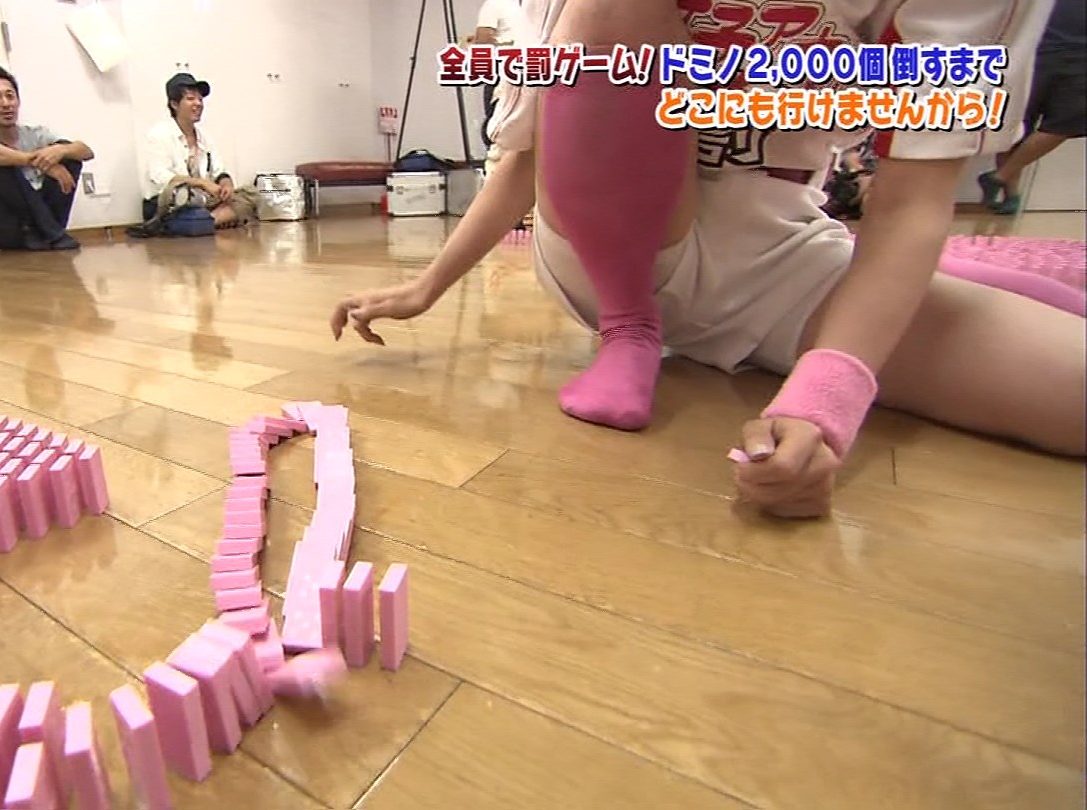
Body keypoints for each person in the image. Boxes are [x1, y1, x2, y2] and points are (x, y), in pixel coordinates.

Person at [330, 0, 1085, 520]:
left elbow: (915, 199)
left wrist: (825, 397)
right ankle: (631, 326)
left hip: (785, 250)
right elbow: (530, 155)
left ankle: (958, 285)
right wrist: (429, 285)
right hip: (607, 246)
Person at [0, 64, 92, 251]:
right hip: (12, 228)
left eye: (10, 96)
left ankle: (48, 231)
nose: (6, 103)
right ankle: (52, 234)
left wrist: (61, 151)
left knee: (69, 156)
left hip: (48, 218)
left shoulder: (35, 133)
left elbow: (86, 152)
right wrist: (38, 162)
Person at [977, 0, 1086, 215]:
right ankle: (1011, 195)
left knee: (1070, 121)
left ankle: (999, 177)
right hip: (1033, 50)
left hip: (1081, 56)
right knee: (1017, 123)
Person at [140, 72, 249, 230]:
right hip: (171, 203)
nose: (198, 104)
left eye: (200, 99)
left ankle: (205, 221)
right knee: (184, 198)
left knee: (251, 195)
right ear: (174, 104)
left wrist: (226, 185)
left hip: (203, 200)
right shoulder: (159, 134)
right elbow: (160, 176)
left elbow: (220, 171)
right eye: (191, 99)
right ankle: (214, 219)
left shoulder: (204, 137)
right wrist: (202, 183)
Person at [472, 0, 525, 149]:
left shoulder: (539, 6)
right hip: (503, 69)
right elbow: (483, 40)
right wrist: (512, 44)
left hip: (533, 71)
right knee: (498, 118)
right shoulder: (496, 4)